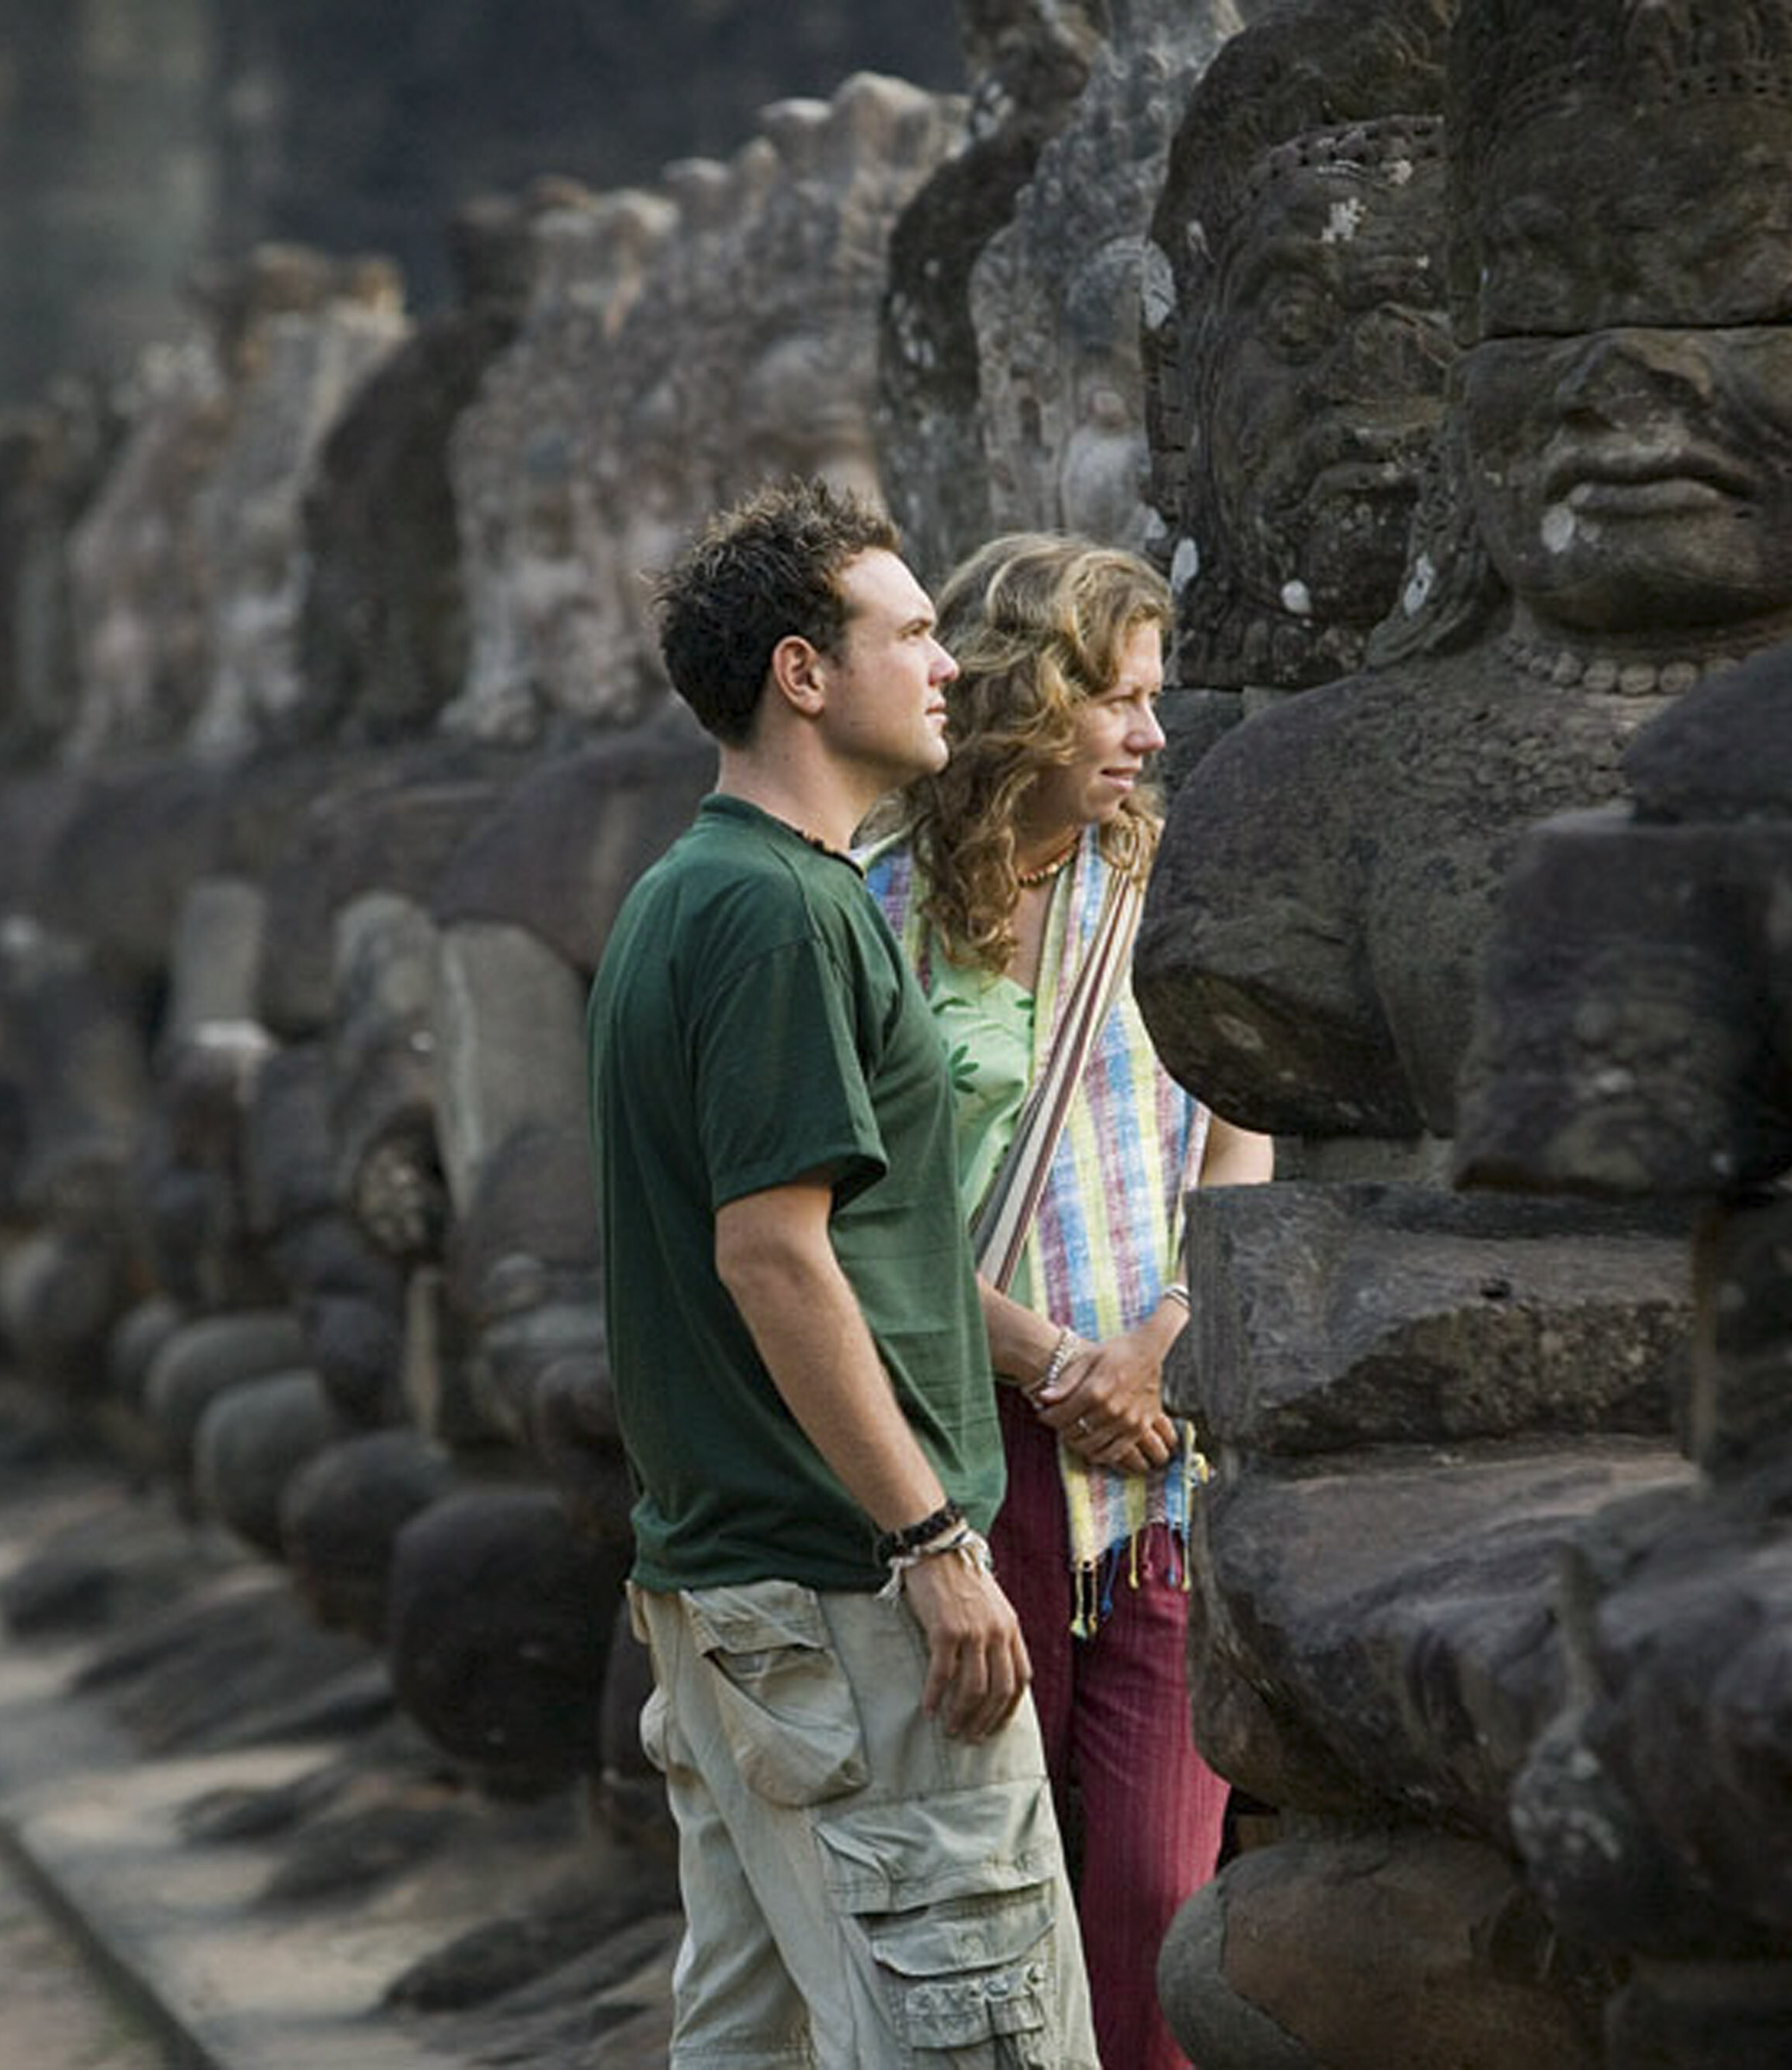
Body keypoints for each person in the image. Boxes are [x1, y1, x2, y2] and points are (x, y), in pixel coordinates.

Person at [587, 478, 1100, 2068]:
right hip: (840, 1593)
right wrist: (933, 1540)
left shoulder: (692, 893)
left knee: (758, 2042)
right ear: (801, 674)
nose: (949, 664)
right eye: (915, 632)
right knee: (979, 2039)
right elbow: (774, 1254)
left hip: (736, 1584)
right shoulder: (779, 911)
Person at [859, 533, 1272, 2070]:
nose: (1152, 735)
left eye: (1153, 698)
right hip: (967, 1455)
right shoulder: (873, 911)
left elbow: (1238, 1124)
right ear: (1028, 700)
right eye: (1120, 700)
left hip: (1156, 1455)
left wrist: (1166, 1335)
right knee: (990, 1876)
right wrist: (1048, 1363)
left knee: (1160, 1888)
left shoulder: (1165, 890)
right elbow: (857, 1214)